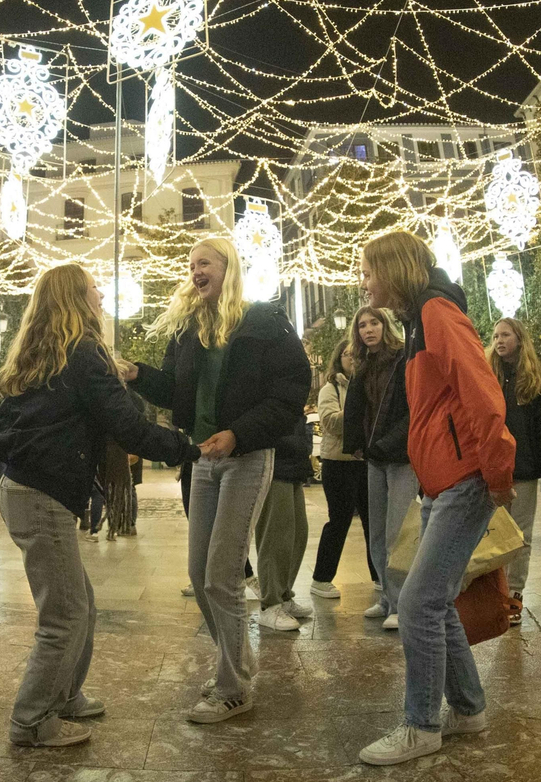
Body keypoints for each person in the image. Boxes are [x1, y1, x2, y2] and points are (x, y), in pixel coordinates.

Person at [0, 264, 200, 747]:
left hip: (25, 490)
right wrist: (187, 447)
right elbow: (126, 425)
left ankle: (64, 696)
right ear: (73, 300)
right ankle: (31, 719)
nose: (102, 294)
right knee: (63, 615)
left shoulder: (46, 353)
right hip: (40, 495)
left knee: (80, 605)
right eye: (92, 288)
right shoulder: (83, 354)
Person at [124, 238, 311, 724]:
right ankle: (238, 659)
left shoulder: (263, 322)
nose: (194, 271)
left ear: (228, 267)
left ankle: (232, 688)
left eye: (203, 262)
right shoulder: (189, 328)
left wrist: (239, 433)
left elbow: (291, 390)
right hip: (202, 460)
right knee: (197, 574)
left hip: (247, 456)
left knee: (222, 576)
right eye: (190, 265)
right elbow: (174, 390)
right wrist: (135, 373)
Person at [356, 231, 515, 766]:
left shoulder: (439, 313)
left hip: (465, 480)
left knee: (417, 601)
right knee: (436, 599)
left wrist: (497, 471)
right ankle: (468, 710)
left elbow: (482, 393)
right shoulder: (421, 321)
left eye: (368, 271)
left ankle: (421, 724)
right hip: (443, 482)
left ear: (394, 269)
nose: (363, 281)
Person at [342, 304, 413, 632]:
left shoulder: (402, 360)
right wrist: (356, 443)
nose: (368, 330)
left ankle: (401, 604)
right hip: (373, 458)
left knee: (397, 533)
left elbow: (411, 410)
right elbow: (357, 410)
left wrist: (387, 443)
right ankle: (387, 596)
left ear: (386, 326)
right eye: (362, 326)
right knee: (377, 535)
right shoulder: (363, 366)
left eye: (374, 323)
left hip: (400, 458)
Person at [488, 318, 541, 626]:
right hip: (494, 469)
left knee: (520, 536)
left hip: (525, 468)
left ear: (519, 339)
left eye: (505, 334)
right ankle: (495, 593)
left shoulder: (534, 379)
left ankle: (514, 594)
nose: (498, 339)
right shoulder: (486, 376)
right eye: (494, 335)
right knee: (494, 535)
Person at [310, 339, 375, 600]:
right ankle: (321, 579)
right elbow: (329, 422)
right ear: (339, 358)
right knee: (339, 521)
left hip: (366, 463)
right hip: (338, 464)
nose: (352, 359)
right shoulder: (330, 388)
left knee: (373, 524)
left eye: (356, 355)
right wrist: (359, 411)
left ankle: (379, 578)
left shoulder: (369, 384)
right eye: (347, 355)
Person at [254, 415, 313, 630]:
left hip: (293, 461)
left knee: (297, 534)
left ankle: (284, 594)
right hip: (275, 460)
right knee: (276, 533)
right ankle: (270, 604)